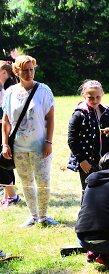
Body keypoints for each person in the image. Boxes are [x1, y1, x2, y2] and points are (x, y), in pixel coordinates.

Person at [2, 55, 57, 227]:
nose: (29, 73)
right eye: (25, 70)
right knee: (26, 182)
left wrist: (49, 142)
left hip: (39, 146)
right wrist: (5, 144)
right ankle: (33, 215)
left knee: (43, 181)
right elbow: (5, 121)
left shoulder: (44, 90)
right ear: (16, 72)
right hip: (18, 147)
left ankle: (43, 216)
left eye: (31, 69)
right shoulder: (10, 92)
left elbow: (51, 118)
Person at [67, 80, 109, 192]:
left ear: (102, 94)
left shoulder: (107, 112)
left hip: (105, 160)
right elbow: (72, 139)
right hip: (87, 161)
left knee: (105, 191)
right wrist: (82, 160)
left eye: (98, 97)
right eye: (90, 97)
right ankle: (86, 210)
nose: (94, 100)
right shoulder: (79, 114)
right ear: (84, 96)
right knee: (89, 191)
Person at [0, 60, 20, 205]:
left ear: (4, 72)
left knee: (4, 161)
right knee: (4, 161)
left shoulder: (10, 88)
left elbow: (9, 114)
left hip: (6, 129)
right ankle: (9, 195)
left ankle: (11, 195)